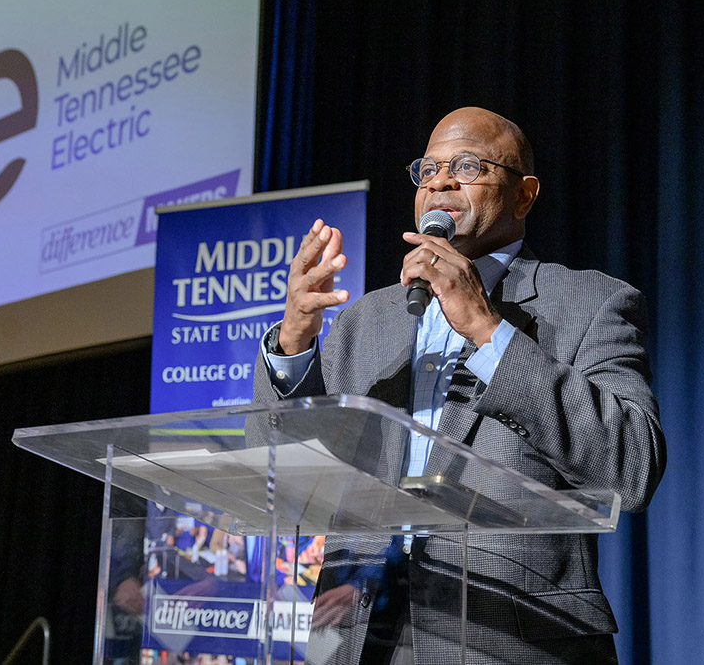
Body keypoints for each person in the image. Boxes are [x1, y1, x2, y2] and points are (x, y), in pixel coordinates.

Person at [252, 107, 667, 665]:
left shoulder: (591, 304)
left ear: (524, 195)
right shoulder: (363, 321)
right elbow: (278, 478)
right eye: (428, 169)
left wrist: (486, 328)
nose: (441, 181)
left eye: (468, 165)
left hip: (511, 637)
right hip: (354, 637)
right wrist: (295, 343)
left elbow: (632, 466)